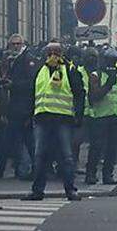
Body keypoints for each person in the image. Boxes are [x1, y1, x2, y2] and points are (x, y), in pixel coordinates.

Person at [23, 43, 85, 201]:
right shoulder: (40, 70)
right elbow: (32, 93)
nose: (53, 55)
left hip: (63, 118)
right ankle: (37, 191)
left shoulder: (70, 70)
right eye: (50, 52)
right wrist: (29, 114)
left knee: (66, 156)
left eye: (56, 52)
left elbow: (79, 93)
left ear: (62, 54)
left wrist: (78, 115)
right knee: (39, 156)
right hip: (42, 118)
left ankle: (70, 190)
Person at [0, 34, 35, 179]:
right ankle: (5, 168)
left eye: (18, 44)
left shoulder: (27, 59)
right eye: (13, 44)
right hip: (15, 106)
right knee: (12, 138)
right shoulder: (13, 60)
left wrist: (14, 85)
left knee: (20, 139)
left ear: (22, 44)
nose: (15, 46)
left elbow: (31, 83)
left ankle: (4, 169)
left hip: (22, 106)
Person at [85, 48, 117, 185]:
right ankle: (90, 174)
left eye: (114, 61)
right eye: (109, 60)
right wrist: (108, 84)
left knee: (112, 148)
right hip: (100, 117)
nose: (111, 64)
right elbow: (94, 96)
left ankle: (108, 175)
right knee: (96, 146)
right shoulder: (96, 75)